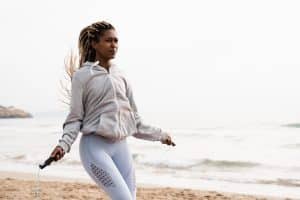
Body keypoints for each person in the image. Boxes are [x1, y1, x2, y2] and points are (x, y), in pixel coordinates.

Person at [48, 21, 175, 200]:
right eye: (108, 41)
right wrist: (63, 145)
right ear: (94, 43)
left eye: (116, 41)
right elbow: (75, 118)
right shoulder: (83, 76)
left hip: (121, 147)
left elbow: (134, 121)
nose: (114, 45)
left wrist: (160, 135)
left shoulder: (121, 75)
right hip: (94, 148)